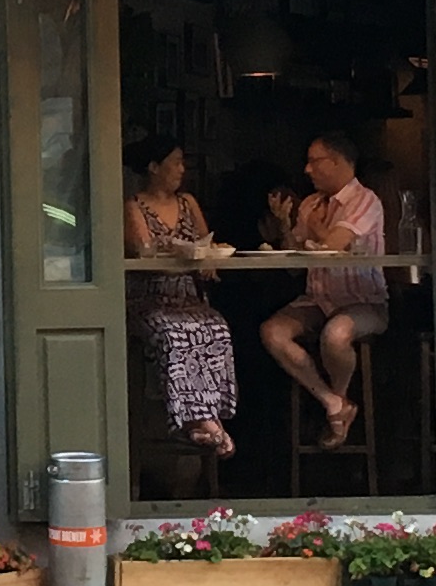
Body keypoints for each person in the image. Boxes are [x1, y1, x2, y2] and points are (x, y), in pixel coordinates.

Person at [258, 133, 389, 449]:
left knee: (336, 334)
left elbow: (332, 247)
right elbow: (295, 263)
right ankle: (333, 402)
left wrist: (315, 227)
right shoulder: (311, 203)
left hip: (363, 301)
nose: (307, 170)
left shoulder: (365, 200)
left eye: (314, 161)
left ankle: (339, 403)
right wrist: (285, 225)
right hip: (318, 298)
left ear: (338, 161)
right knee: (272, 331)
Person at [124, 141, 238, 460]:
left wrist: (210, 261)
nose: (181, 169)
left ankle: (207, 417)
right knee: (177, 332)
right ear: (153, 167)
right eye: (175, 162)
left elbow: (204, 243)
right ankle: (196, 420)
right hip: (151, 298)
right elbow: (142, 249)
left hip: (188, 296)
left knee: (216, 327)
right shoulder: (133, 205)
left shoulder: (188, 202)